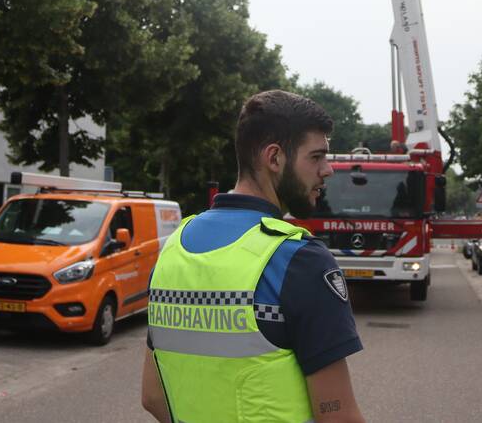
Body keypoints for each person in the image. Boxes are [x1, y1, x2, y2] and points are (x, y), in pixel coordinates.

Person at [140, 90, 365, 423]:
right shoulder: (299, 259)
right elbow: (338, 416)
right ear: (274, 159)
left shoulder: (174, 248)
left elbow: (154, 398)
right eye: (316, 157)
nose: (328, 170)